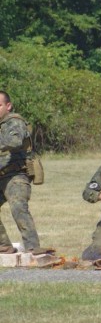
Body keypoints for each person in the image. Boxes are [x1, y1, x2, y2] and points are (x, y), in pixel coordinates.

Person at [0, 91, 48, 254]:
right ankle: (3, 245)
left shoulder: (14, 122)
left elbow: (15, 141)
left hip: (16, 175)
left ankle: (33, 247)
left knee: (18, 207)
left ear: (8, 106)